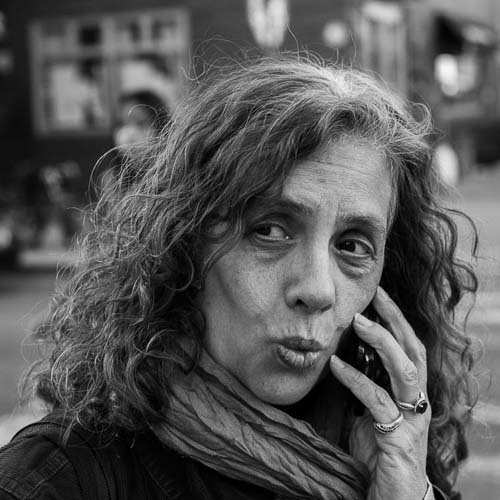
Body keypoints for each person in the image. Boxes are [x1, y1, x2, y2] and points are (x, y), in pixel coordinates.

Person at [0, 56, 478, 500]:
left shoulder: (392, 450)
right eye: (270, 231)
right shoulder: (59, 479)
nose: (317, 290)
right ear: (186, 245)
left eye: (352, 246)